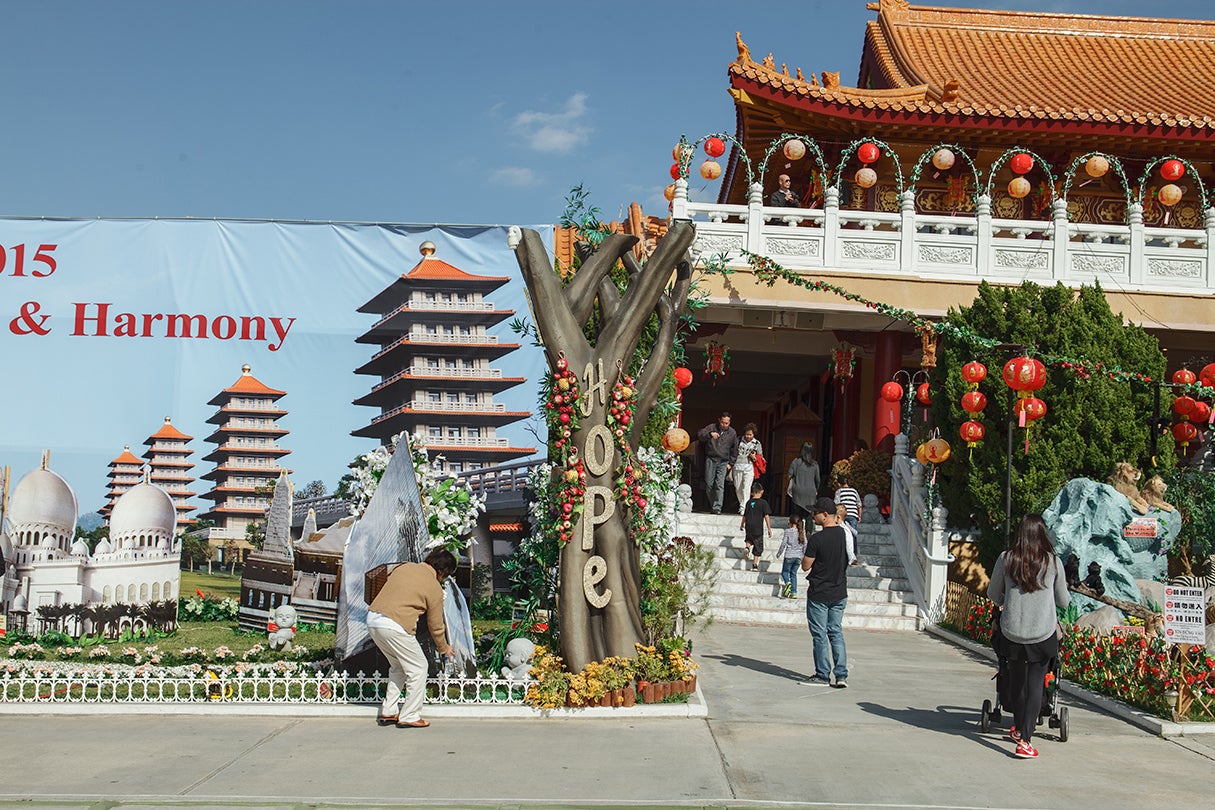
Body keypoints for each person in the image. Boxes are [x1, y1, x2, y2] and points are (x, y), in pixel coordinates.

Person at [987, 514, 1070, 759]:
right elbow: (1064, 601)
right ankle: (1025, 739)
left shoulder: (1006, 559)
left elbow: (993, 593)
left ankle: (1020, 727)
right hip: (1042, 634)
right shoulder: (1053, 563)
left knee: (1016, 681)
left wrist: (1008, 602)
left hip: (1011, 632)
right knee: (1036, 684)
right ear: (1043, 534)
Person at [366, 548, 457, 728]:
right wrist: (444, 648)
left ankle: (389, 711)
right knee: (419, 667)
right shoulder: (434, 588)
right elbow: (436, 625)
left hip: (373, 620)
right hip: (396, 625)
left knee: (398, 665)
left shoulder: (403, 567)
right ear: (443, 572)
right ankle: (410, 714)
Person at [801, 497, 849, 687]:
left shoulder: (817, 539)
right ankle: (841, 674)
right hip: (839, 591)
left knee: (820, 634)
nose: (813, 516)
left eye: (816, 513)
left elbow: (806, 565)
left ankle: (822, 674)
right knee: (835, 632)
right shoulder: (843, 535)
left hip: (820, 592)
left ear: (826, 515)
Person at [697, 412, 739, 514]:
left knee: (720, 485)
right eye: (723, 422)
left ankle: (717, 507)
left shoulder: (732, 433)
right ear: (719, 420)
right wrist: (710, 434)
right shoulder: (712, 427)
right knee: (709, 484)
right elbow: (700, 435)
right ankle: (713, 504)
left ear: (729, 422)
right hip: (711, 459)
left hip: (723, 461)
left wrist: (731, 463)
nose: (724, 425)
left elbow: (735, 449)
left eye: (727, 423)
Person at [739, 481, 772, 571]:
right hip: (758, 527)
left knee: (749, 539)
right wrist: (769, 528)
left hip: (748, 526)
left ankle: (747, 547)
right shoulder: (763, 503)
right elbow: (766, 516)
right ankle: (754, 565)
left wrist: (742, 525)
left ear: (752, 492)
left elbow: (744, 515)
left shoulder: (749, 502)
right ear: (762, 491)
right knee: (758, 546)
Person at [732, 422, 763, 516]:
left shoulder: (757, 443)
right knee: (738, 487)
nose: (748, 436)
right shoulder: (737, 440)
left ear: (753, 434)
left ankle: (744, 506)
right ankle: (742, 503)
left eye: (750, 434)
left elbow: (760, 457)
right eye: (747, 434)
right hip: (737, 466)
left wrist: (754, 457)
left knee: (746, 487)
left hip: (749, 467)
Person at [786, 441, 821, 519]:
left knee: (797, 514)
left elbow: (789, 474)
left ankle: (798, 529)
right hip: (810, 491)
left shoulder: (796, 462)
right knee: (809, 514)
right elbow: (818, 480)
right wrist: (816, 489)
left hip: (798, 490)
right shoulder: (815, 464)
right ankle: (808, 531)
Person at [775, 512, 806, 598]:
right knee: (793, 574)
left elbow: (783, 543)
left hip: (789, 555)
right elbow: (805, 544)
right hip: (799, 557)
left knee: (785, 572)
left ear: (791, 522)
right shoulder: (801, 532)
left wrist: (779, 553)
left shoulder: (787, 531)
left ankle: (788, 583)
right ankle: (794, 593)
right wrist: (803, 555)